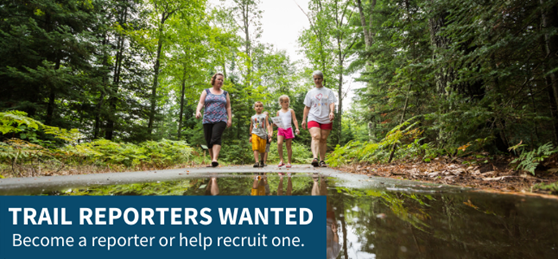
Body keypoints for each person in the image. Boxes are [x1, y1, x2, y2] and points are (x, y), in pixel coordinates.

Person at [301, 71, 338, 167]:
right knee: (316, 136)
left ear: (322, 79)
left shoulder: (328, 91)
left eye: (318, 78)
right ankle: (315, 158)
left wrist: (331, 112)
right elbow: (307, 107)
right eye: (315, 79)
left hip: (326, 118)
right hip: (313, 117)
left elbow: (332, 103)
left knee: (323, 138)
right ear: (313, 80)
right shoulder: (310, 93)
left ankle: (322, 160)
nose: (317, 80)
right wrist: (304, 119)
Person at [195, 73, 232, 167]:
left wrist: (229, 119)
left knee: (216, 137)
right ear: (214, 80)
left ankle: (215, 158)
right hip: (207, 119)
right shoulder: (206, 91)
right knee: (209, 140)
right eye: (219, 79)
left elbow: (228, 107)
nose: (220, 81)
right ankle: (213, 161)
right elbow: (201, 102)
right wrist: (198, 111)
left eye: (222, 80)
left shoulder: (225, 93)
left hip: (221, 118)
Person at [276, 95, 300, 168]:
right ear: (281, 103)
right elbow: (277, 121)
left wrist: (297, 128)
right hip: (281, 129)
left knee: (288, 146)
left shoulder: (291, 111)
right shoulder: (279, 112)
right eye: (285, 102)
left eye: (288, 102)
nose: (287, 103)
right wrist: (274, 123)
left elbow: (294, 120)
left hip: (289, 129)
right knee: (279, 143)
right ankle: (281, 160)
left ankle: (289, 162)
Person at [250, 102, 272, 167]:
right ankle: (256, 162)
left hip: (263, 134)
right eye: (257, 106)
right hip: (255, 133)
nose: (258, 107)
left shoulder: (265, 116)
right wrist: (250, 135)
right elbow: (251, 126)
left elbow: (267, 125)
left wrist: (269, 132)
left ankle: (262, 160)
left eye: (260, 106)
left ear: (262, 108)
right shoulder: (253, 117)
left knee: (262, 149)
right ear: (254, 108)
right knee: (255, 147)